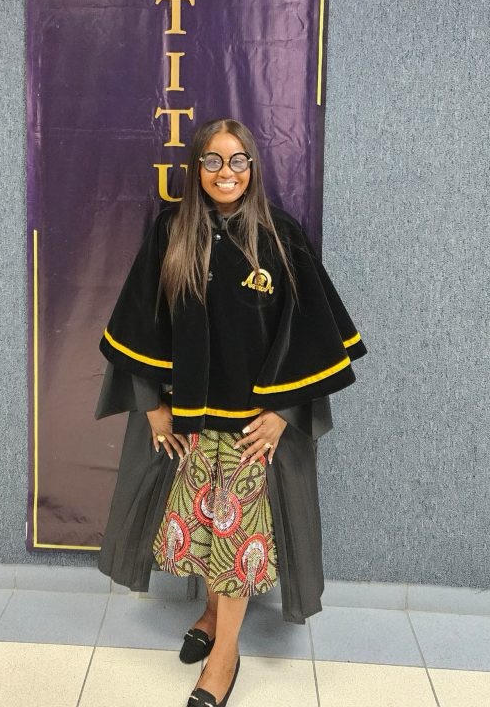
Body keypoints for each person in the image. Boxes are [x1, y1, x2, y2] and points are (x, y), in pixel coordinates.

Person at [95, 118, 366, 707]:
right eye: (214, 161)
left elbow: (313, 335)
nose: (226, 173)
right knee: (204, 528)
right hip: (191, 419)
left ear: (253, 168)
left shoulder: (279, 235)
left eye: (238, 160)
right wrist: (153, 407)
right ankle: (212, 616)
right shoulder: (172, 231)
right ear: (197, 168)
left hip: (248, 427)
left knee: (238, 539)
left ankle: (225, 657)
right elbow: (140, 322)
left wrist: (284, 412)